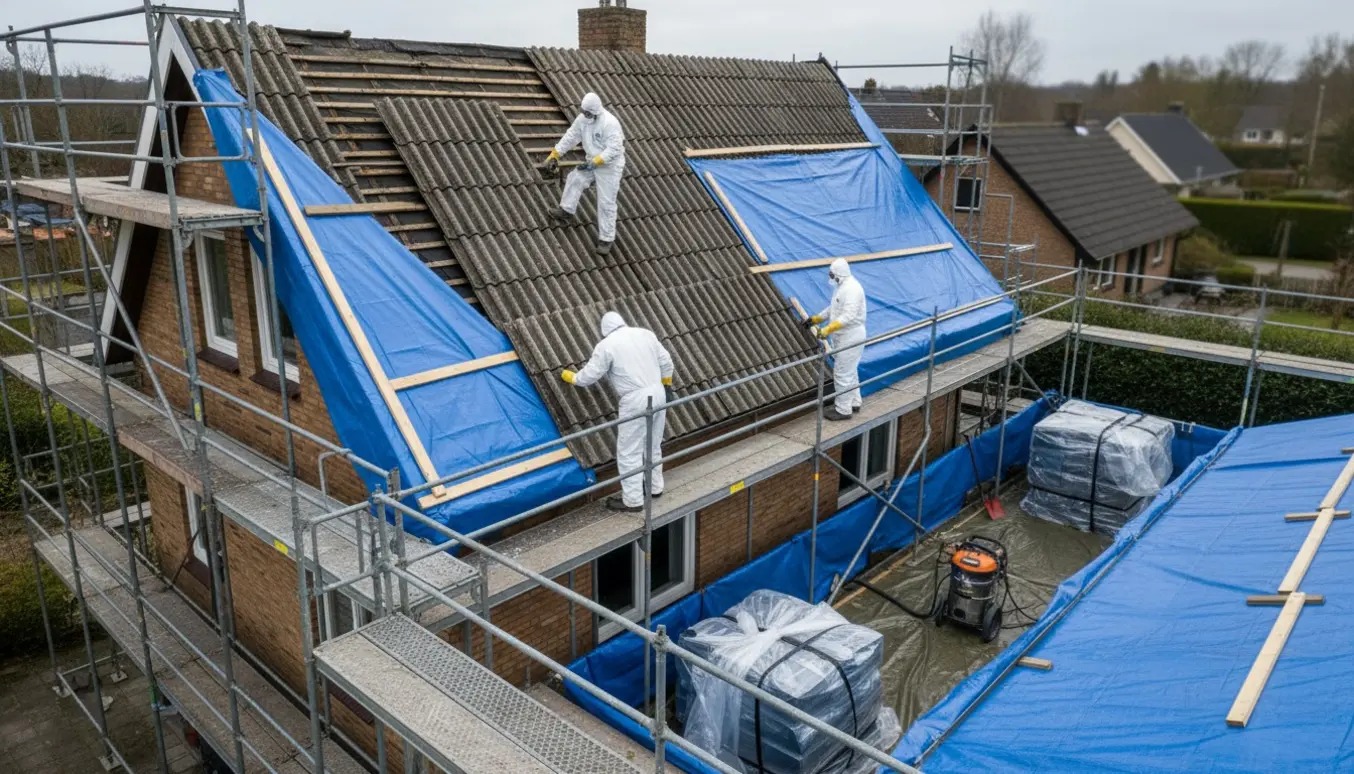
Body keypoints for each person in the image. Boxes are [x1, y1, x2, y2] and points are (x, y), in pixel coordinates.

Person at [561, 312, 674, 512]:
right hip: (658, 391)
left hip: (635, 399)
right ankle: (655, 487)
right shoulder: (645, 333)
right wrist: (667, 384)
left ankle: (633, 501)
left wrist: (573, 378)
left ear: (604, 330)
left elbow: (590, 376)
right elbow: (666, 361)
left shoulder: (607, 345)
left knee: (629, 451)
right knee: (653, 444)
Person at [544, 92, 626, 256]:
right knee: (575, 178)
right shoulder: (582, 120)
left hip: (609, 166)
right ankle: (566, 210)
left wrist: (596, 161)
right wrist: (555, 153)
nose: (585, 115)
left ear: (595, 112)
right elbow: (571, 135)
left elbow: (614, 149)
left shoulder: (610, 123)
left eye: (588, 113)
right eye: (584, 112)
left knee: (606, 202)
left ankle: (606, 238)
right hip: (591, 162)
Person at [805, 258, 867, 421]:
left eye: (832, 274)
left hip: (851, 335)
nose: (830, 277)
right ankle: (854, 401)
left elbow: (848, 315)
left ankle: (843, 409)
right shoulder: (842, 287)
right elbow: (835, 308)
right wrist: (817, 319)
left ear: (839, 274)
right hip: (844, 336)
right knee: (850, 371)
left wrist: (827, 329)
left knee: (842, 373)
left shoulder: (852, 289)